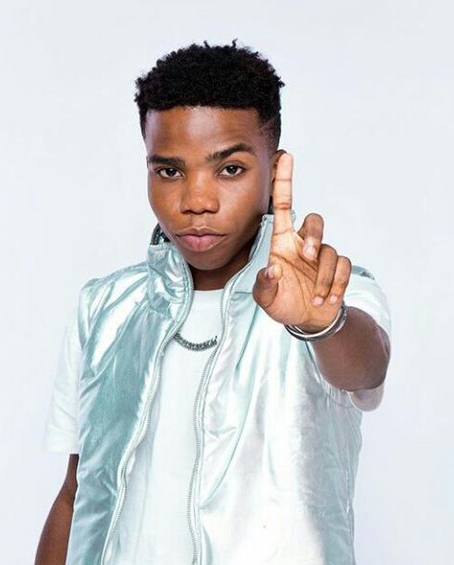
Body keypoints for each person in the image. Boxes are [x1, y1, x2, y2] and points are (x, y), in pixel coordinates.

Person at [35, 40, 392, 565]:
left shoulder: (330, 290)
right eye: (169, 171)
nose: (196, 201)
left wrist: (322, 324)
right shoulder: (105, 308)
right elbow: (76, 493)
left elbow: (367, 368)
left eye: (229, 170)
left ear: (275, 167)